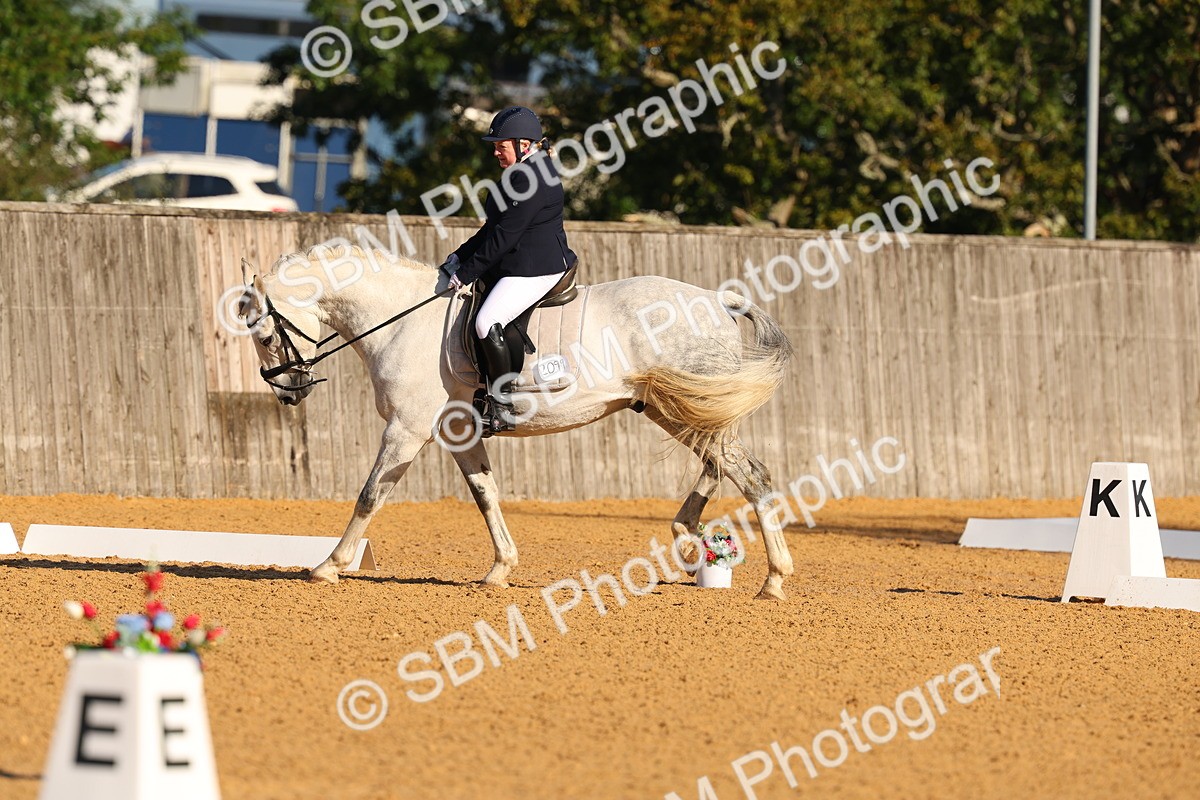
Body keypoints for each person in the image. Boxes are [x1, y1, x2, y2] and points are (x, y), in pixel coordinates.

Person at [440, 106, 577, 436]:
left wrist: (467, 273)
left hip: (536, 267)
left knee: (487, 321)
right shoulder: (522, 171)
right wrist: (459, 256)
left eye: (501, 146)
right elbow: (493, 228)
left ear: (523, 144)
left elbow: (505, 237)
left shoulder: (532, 178)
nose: (496, 152)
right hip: (517, 261)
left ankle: (502, 405)